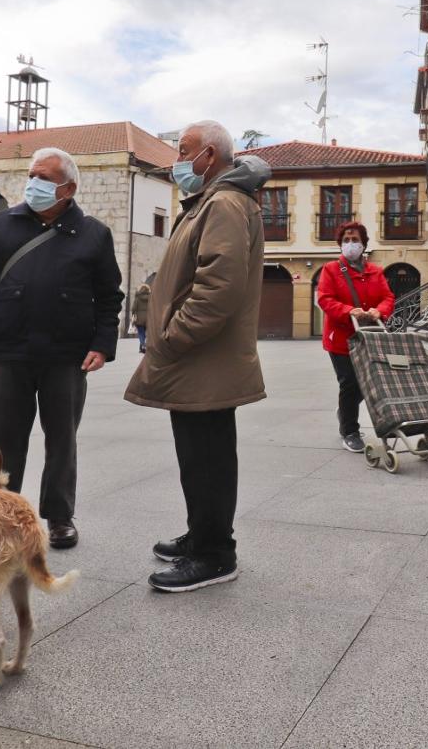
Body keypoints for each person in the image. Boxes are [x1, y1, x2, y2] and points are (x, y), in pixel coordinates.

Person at [125, 120, 270, 593]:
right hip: (198, 358)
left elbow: (218, 286)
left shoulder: (224, 202)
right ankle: (202, 534)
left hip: (202, 356)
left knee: (206, 456)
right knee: (198, 455)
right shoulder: (212, 200)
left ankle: (214, 554)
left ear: (209, 155)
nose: (177, 159)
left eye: (183, 150)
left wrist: (173, 335)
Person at [0, 147, 124, 550]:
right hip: (7, 354)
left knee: (62, 440)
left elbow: (109, 297)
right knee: (4, 442)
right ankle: (5, 516)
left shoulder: (94, 234)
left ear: (67, 189)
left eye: (43, 178)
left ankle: (60, 516)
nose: (32, 183)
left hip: (66, 357)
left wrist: (103, 344)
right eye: (31, 175)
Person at [315, 222, 396, 452]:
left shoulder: (375, 271)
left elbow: (388, 297)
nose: (351, 244)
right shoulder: (331, 269)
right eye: (346, 240)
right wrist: (348, 311)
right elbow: (325, 299)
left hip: (369, 337)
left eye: (355, 240)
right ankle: (349, 430)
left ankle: (345, 411)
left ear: (364, 244)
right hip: (341, 339)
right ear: (340, 244)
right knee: (349, 383)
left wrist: (380, 311)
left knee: (366, 383)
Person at [132, 276, 152, 354]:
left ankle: (143, 345)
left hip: (139, 319)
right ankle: (143, 347)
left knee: (141, 333)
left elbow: (133, 308)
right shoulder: (151, 298)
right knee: (146, 333)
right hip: (148, 319)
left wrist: (133, 314)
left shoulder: (137, 298)